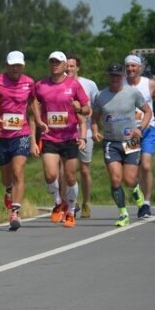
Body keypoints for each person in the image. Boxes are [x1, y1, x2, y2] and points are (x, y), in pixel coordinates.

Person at [31, 51, 90, 228]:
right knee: (50, 174)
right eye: (52, 62)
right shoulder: (40, 85)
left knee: (70, 177)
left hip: (69, 137)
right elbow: (33, 102)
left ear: (65, 65)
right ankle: (58, 202)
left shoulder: (74, 85)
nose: (55, 64)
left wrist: (79, 109)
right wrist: (39, 120)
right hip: (50, 137)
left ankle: (71, 210)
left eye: (58, 62)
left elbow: (87, 109)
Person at [91, 63, 152, 226]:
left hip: (131, 140)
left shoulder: (132, 93)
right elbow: (94, 118)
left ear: (123, 76)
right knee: (116, 180)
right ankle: (123, 213)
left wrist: (140, 128)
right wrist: (95, 131)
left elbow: (148, 111)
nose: (115, 78)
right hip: (111, 142)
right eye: (112, 75)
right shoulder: (101, 95)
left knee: (129, 179)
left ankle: (136, 191)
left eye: (118, 75)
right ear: (108, 76)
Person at [0, 51, 37, 231]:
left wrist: (40, 121)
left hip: (21, 133)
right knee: (6, 177)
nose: (15, 68)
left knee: (18, 170)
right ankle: (9, 189)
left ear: (23, 66)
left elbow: (33, 102)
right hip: (1, 135)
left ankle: (15, 212)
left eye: (18, 65)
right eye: (12, 65)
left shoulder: (29, 83)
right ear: (6, 65)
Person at [125, 54, 155, 219]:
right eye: (127, 66)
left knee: (147, 165)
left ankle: (147, 203)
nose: (130, 69)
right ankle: (140, 200)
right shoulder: (121, 84)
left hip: (148, 129)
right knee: (132, 171)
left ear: (139, 68)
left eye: (133, 66)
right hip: (129, 132)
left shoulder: (148, 83)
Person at [66, 54, 98, 218]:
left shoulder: (89, 84)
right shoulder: (58, 83)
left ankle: (86, 202)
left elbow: (95, 108)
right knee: (66, 170)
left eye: (72, 66)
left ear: (77, 67)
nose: (69, 69)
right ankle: (71, 202)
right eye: (67, 65)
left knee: (84, 170)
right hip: (65, 132)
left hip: (86, 132)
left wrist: (83, 113)